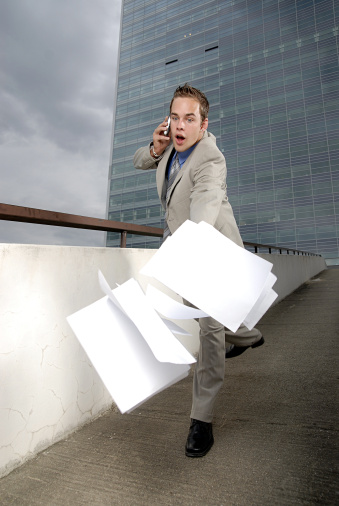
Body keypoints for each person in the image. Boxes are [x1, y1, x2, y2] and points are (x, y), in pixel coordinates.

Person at [133, 84, 264, 458]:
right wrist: (157, 147)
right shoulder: (171, 148)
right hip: (185, 250)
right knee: (224, 325)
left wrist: (190, 242)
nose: (180, 125)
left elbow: (205, 200)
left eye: (189, 119)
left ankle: (201, 421)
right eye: (175, 117)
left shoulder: (210, 158)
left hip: (209, 249)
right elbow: (139, 160)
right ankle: (244, 337)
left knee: (209, 330)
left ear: (203, 124)